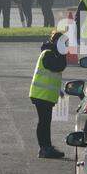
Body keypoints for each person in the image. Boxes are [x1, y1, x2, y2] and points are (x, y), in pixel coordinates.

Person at [29, 31, 67, 159]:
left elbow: (52, 74)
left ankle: (46, 147)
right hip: (41, 95)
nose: (65, 46)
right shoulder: (48, 54)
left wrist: (58, 90)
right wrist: (62, 54)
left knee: (45, 121)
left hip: (44, 95)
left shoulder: (52, 53)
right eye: (63, 43)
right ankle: (44, 148)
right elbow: (58, 66)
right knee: (44, 122)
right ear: (57, 42)